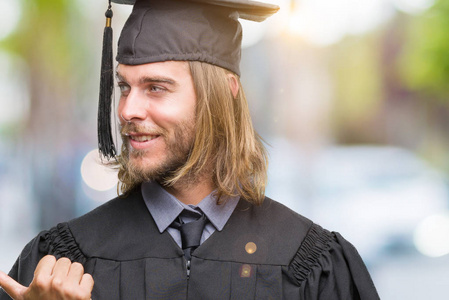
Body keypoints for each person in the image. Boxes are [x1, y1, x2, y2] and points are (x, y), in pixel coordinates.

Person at [0, 0, 380, 299]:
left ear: (222, 94)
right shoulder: (63, 264)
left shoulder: (312, 264)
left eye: (156, 88)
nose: (127, 110)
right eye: (125, 87)